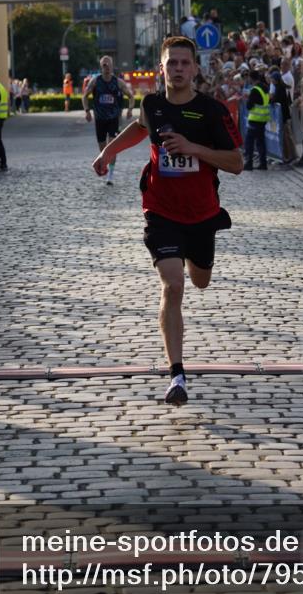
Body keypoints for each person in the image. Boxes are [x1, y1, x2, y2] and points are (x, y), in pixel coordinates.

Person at [91, 36, 243, 406]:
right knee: (172, 286)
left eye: (184, 63)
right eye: (171, 63)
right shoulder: (152, 104)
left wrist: (193, 149)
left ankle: (195, 257)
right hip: (161, 210)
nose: (177, 69)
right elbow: (140, 127)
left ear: (194, 69)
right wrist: (108, 152)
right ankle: (177, 374)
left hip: (203, 213)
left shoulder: (211, 110)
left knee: (200, 280)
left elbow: (236, 162)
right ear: (161, 68)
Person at [83, 56, 134, 185]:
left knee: (111, 147)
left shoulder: (118, 82)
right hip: (100, 119)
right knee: (103, 149)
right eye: (104, 65)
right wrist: (87, 111)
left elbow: (131, 96)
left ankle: (110, 174)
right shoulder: (95, 81)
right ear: (101, 67)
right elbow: (84, 96)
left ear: (112, 66)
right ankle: (105, 165)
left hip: (113, 119)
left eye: (108, 65)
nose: (107, 67)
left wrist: (130, 110)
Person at [243, 69, 270, 170]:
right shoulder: (265, 87)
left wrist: (247, 99)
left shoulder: (255, 89)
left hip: (255, 119)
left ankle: (249, 163)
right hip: (263, 119)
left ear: (251, 78)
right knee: (260, 141)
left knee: (249, 141)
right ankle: (263, 163)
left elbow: (249, 106)